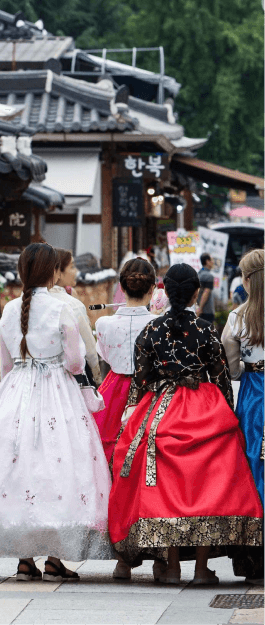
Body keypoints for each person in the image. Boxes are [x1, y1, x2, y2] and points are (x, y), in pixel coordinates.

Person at [0, 243, 113, 581]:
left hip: (16, 393)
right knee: (60, 469)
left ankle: (25, 558)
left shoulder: (10, 311)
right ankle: (55, 556)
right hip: (58, 394)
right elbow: (74, 361)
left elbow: (6, 364)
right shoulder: (61, 309)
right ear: (54, 272)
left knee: (20, 469)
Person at [108, 263, 263, 586]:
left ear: (164, 291)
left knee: (167, 486)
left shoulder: (150, 331)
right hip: (203, 407)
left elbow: (142, 378)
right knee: (206, 485)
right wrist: (228, 416)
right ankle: (202, 569)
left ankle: (172, 565)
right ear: (195, 293)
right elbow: (221, 378)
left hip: (162, 407)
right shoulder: (205, 330)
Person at [222, 248, 264, 583]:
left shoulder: (238, 317)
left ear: (247, 280)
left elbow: (232, 368)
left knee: (252, 462)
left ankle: (253, 550)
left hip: (253, 393)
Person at [93, 258, 156, 466]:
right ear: (152, 289)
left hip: (114, 388)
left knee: (108, 448)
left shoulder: (104, 323)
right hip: (150, 390)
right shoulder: (159, 324)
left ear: (121, 287)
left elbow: (105, 355)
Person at [49, 248, 101, 386]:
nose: (76, 272)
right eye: (72, 267)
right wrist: (97, 376)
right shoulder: (72, 304)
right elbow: (89, 347)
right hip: (71, 379)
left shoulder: (26, 302)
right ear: (58, 272)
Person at [196, 252, 215, 323]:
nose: (213, 262)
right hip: (206, 311)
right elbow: (206, 293)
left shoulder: (198, 274)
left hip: (197, 309)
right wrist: (200, 309)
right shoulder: (208, 276)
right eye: (211, 260)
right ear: (207, 261)